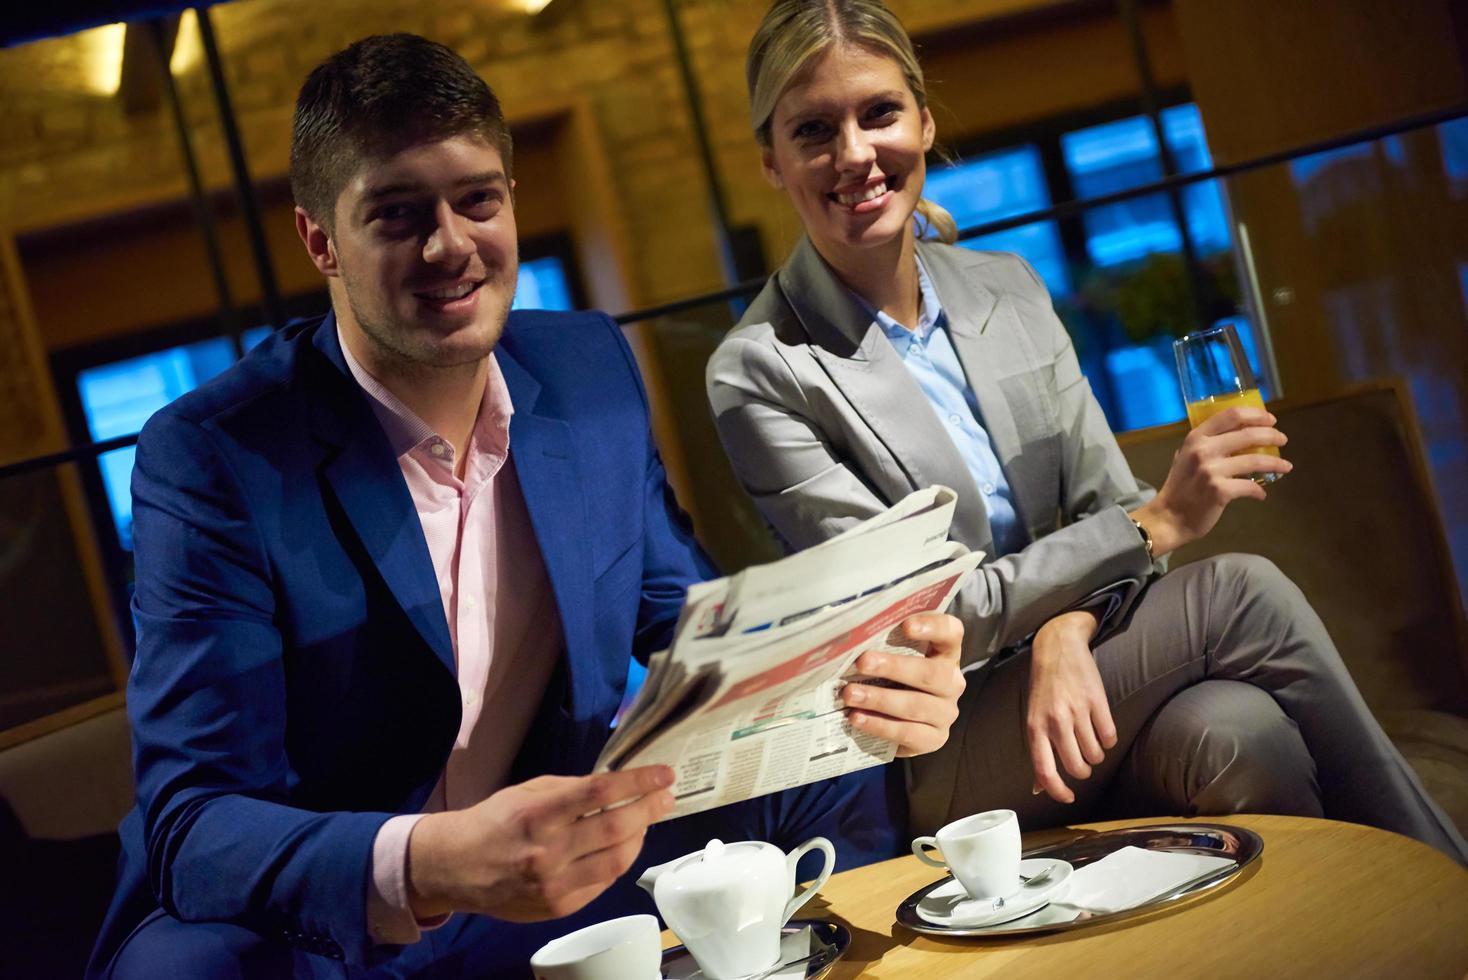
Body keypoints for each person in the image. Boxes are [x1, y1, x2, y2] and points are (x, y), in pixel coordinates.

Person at [87, 33, 970, 979]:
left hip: (559, 858)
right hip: (339, 924)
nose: (451, 245)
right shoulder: (216, 454)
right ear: (320, 241)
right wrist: (430, 863)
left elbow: (687, 629)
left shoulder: (585, 369)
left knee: (829, 772)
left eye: (477, 200)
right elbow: (195, 818)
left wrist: (855, 679)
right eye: (396, 215)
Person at [706, 0, 1467, 862]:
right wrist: (1158, 523)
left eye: (878, 113)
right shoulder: (760, 371)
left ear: (922, 119)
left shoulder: (1008, 287)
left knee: (1240, 732)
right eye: (814, 130)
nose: (854, 153)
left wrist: (1070, 630)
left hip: (1094, 669)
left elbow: (1099, 499)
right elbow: (930, 609)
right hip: (945, 743)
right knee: (1242, 592)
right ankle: (1449, 889)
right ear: (771, 159)